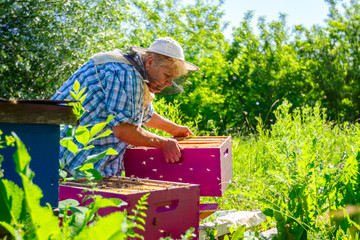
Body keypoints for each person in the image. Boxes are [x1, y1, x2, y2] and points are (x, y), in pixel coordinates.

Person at [51, 37, 200, 176]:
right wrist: (163, 143)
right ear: (150, 62)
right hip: (66, 162)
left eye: (172, 78)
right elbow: (124, 130)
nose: (168, 83)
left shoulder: (131, 72)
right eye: (167, 76)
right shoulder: (125, 74)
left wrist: (173, 128)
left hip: (68, 161)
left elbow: (141, 114)